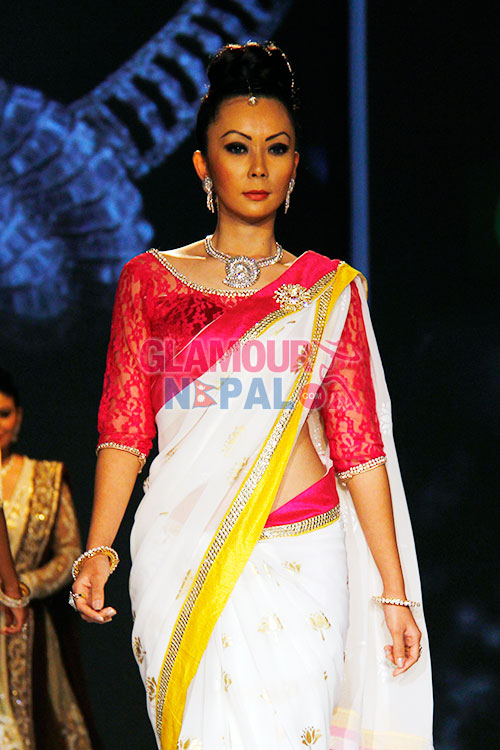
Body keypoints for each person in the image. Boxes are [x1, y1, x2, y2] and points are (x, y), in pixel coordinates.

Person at [71, 42, 434, 749]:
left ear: (295, 164)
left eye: (278, 148)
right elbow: (124, 428)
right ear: (203, 163)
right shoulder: (149, 282)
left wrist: (393, 590)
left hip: (305, 557)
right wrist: (99, 550)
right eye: (237, 148)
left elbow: (359, 449)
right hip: (183, 548)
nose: (259, 167)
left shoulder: (326, 292)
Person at [0, 368, 95, 749]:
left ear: (19, 417)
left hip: (26, 626)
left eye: (4, 413)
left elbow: (69, 554)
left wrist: (19, 589)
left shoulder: (46, 478)